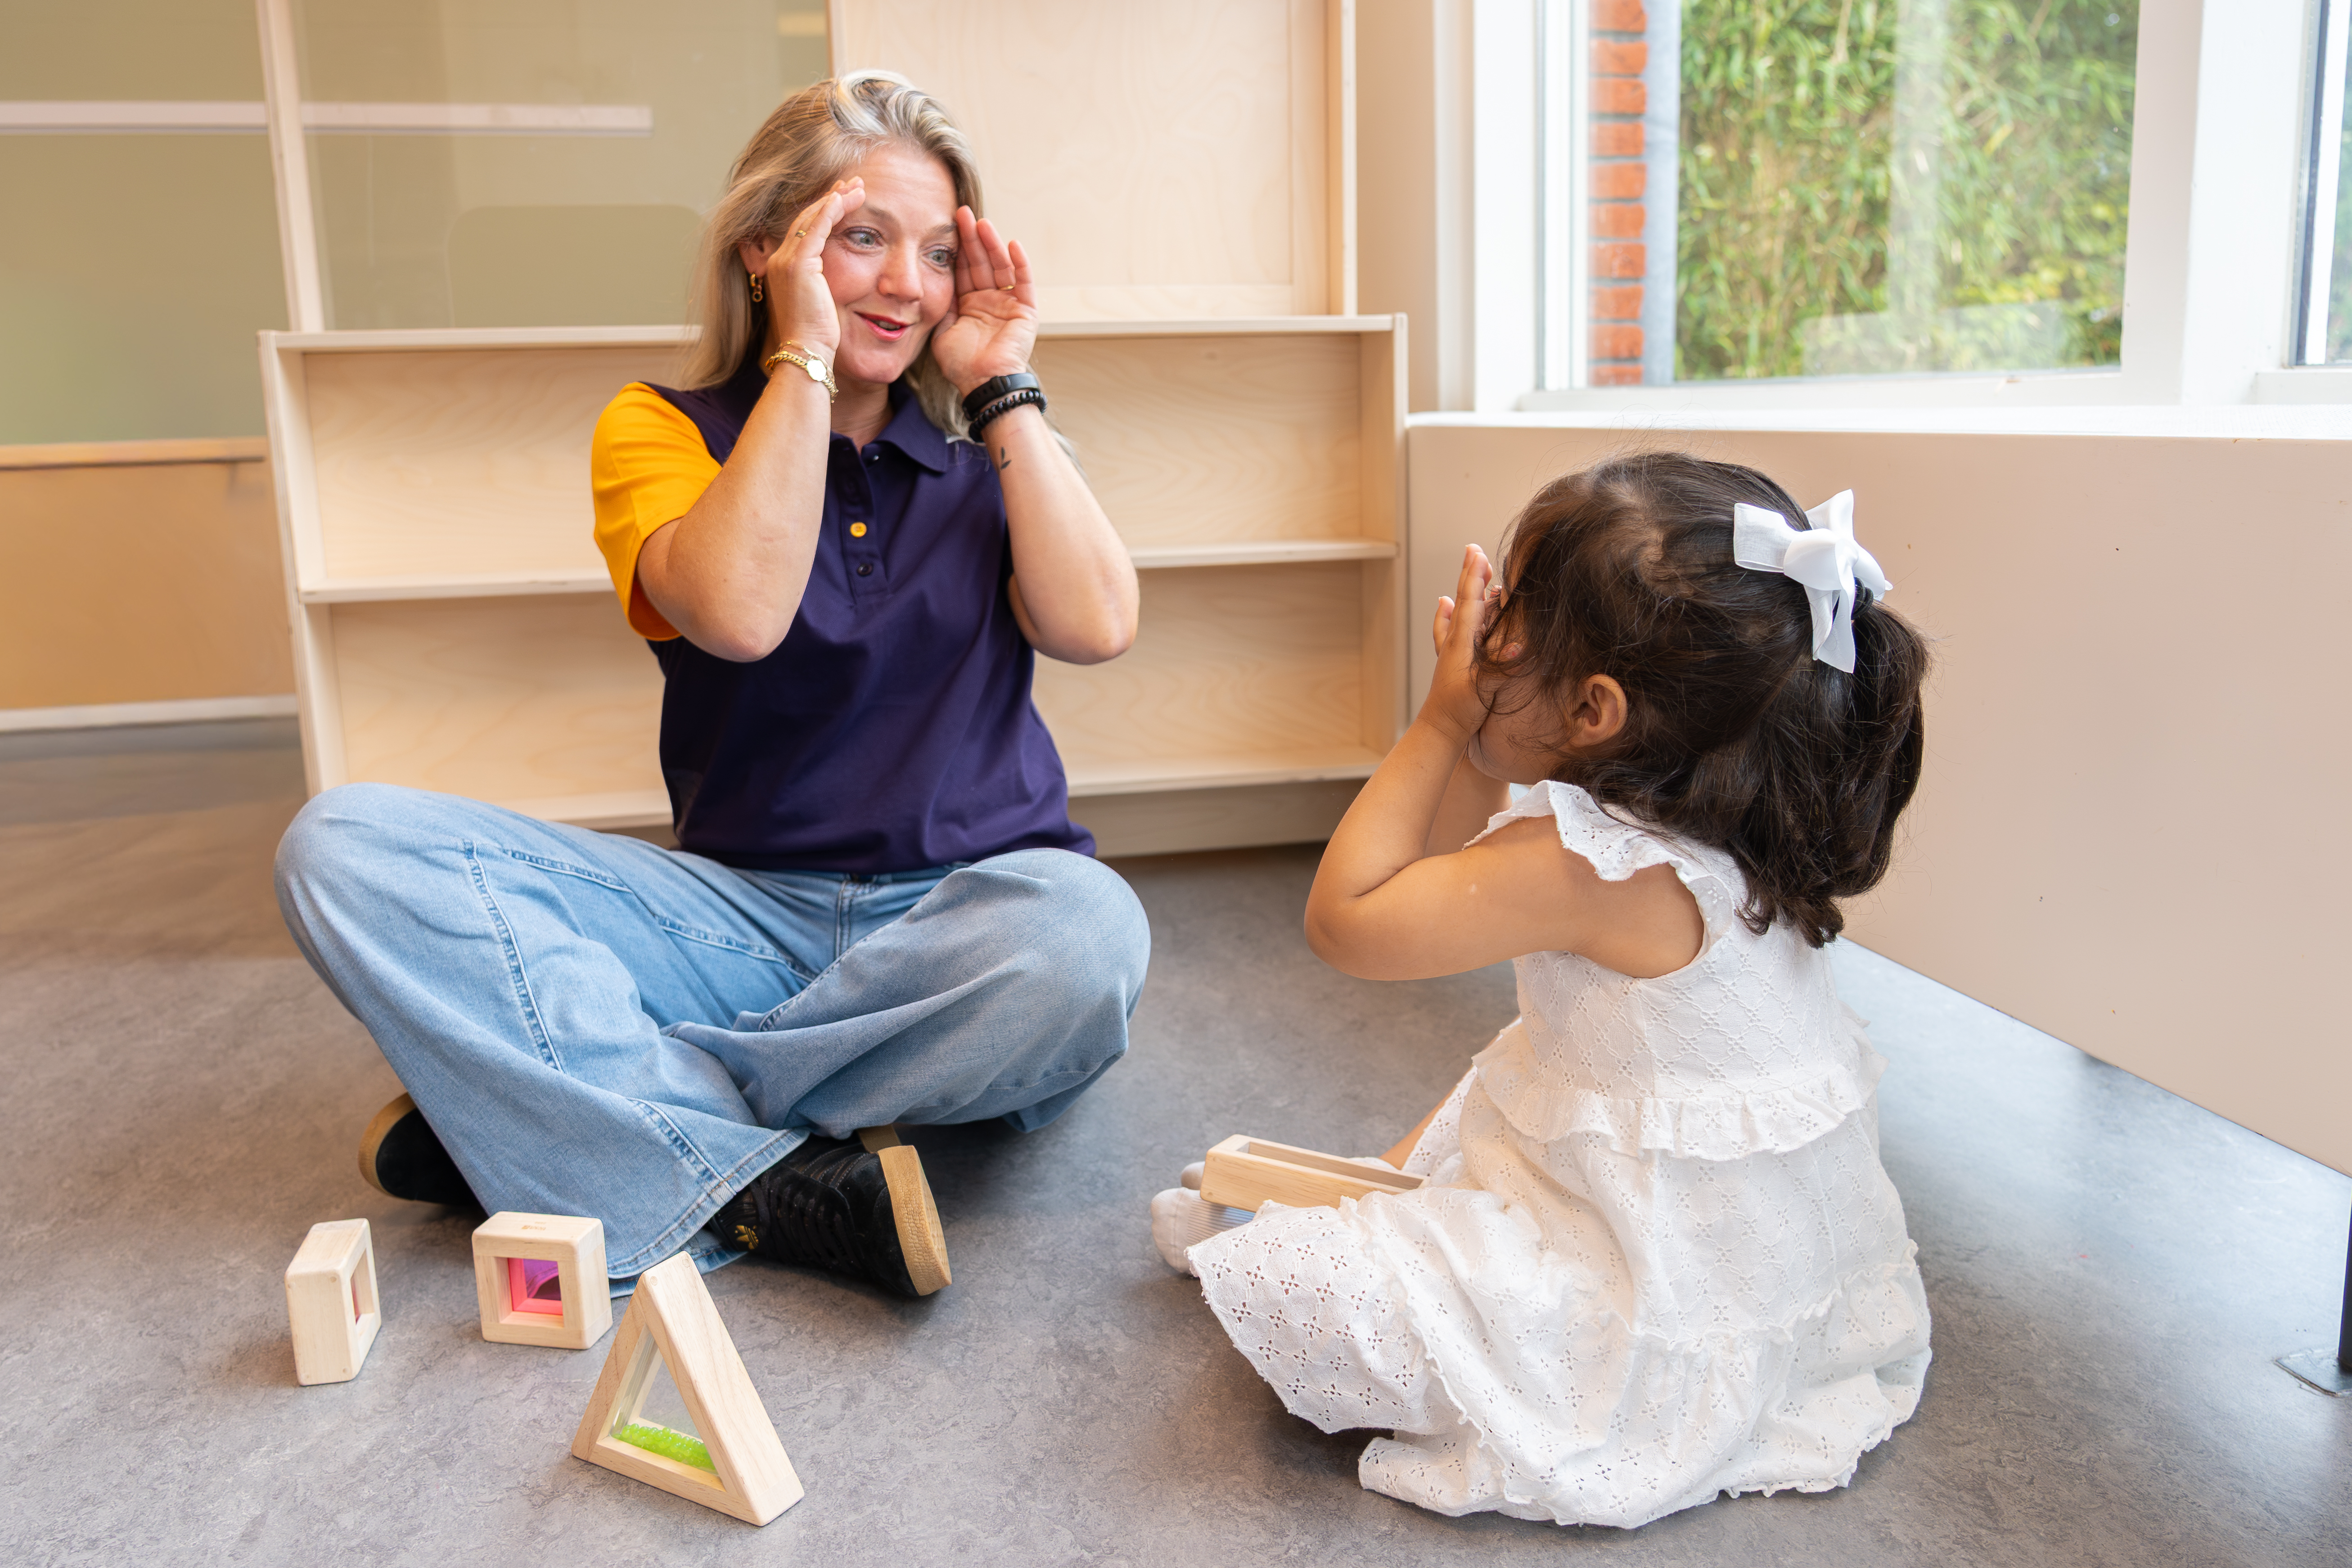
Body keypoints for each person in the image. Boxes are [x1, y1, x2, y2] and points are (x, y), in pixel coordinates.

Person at [276, 72, 1148, 1301]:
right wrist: (804, 357)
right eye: (863, 237)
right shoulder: (658, 427)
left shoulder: (992, 446)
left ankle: (600, 1105)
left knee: (1089, 931)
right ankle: (749, 1164)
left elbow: (1098, 625)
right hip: (734, 921)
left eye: (940, 252)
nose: (908, 284)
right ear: (763, 251)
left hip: (964, 917)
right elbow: (739, 614)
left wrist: (1003, 383)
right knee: (344, 844)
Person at [1150, 453, 1933, 1526]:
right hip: (1748, 1244)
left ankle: (1371, 1250)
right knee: (1504, 1074)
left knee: (1315, 1291)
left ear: (1597, 708)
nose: (1486, 634)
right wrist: (1482, 730)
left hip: (1651, 1278)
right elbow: (1449, 862)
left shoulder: (1588, 866)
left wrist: (1438, 724)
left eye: (1512, 616)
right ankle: (1389, 1204)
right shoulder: (1721, 816)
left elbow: (1352, 920)